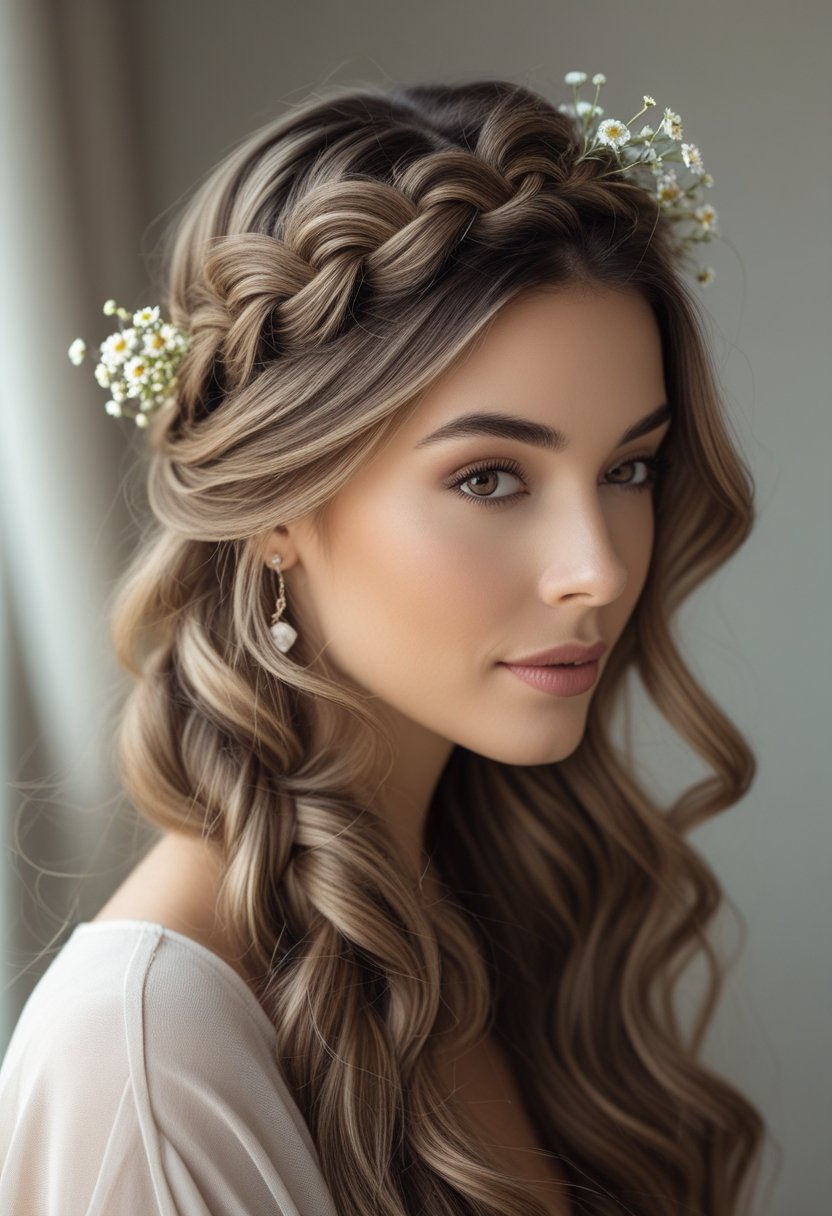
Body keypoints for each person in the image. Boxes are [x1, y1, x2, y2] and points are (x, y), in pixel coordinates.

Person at [0, 74, 768, 1215]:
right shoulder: (149, 1062)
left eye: (628, 468)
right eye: (490, 477)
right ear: (276, 509)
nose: (599, 568)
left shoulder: (501, 908)